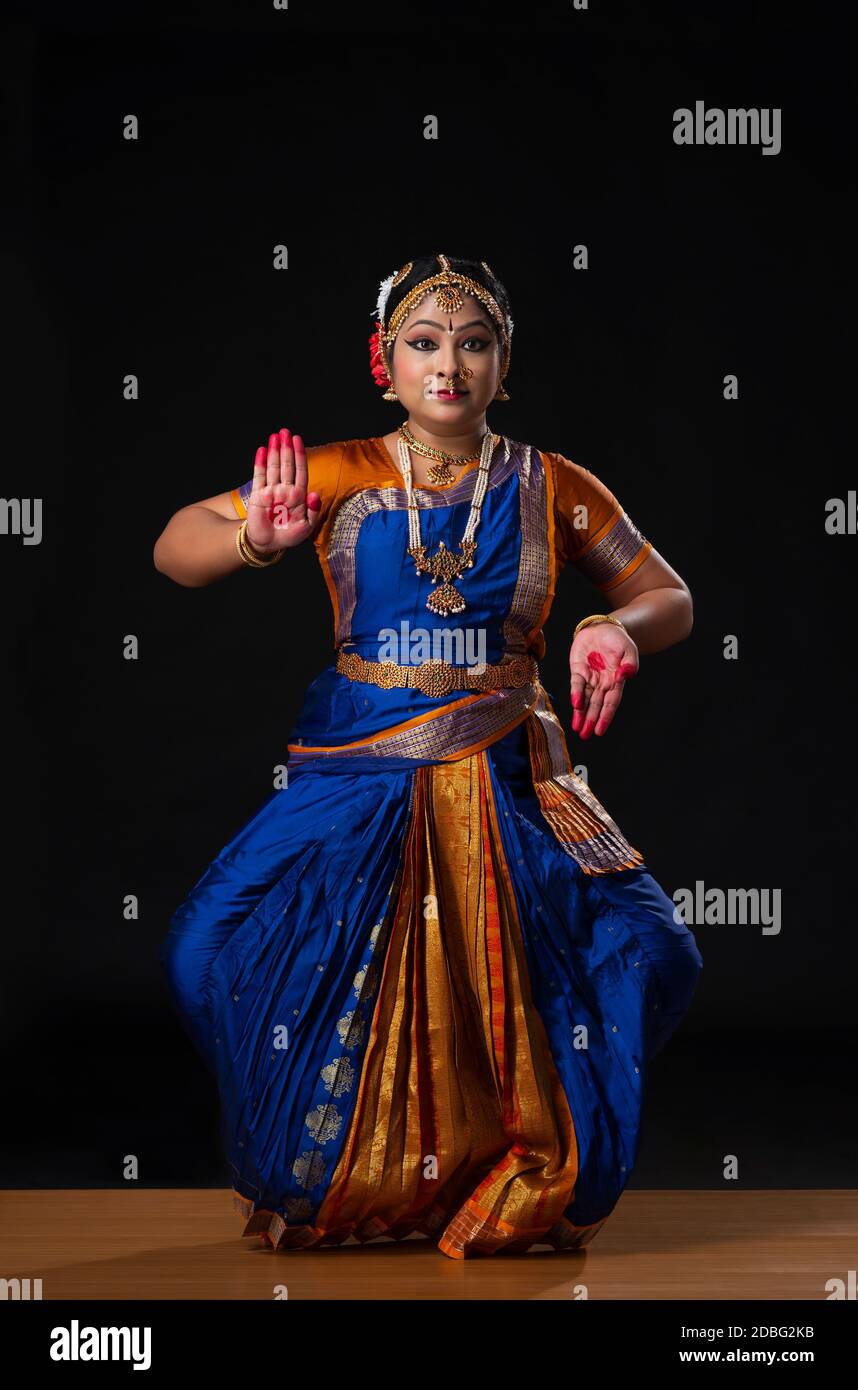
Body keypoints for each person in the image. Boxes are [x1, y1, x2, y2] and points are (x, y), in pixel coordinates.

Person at [154, 252, 702, 1259]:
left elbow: (669, 594)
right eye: (424, 342)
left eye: (474, 342)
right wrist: (257, 542)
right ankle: (349, 1177)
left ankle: (511, 1166)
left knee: (655, 951)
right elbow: (177, 542)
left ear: (503, 364)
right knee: (204, 948)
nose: (448, 363)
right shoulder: (338, 473)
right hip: (359, 770)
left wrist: (617, 627)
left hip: (508, 772)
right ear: (384, 361)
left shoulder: (553, 484)